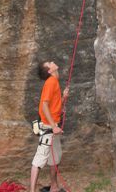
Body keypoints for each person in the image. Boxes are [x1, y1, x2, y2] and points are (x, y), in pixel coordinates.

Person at [30, 61, 69, 192]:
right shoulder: (51, 82)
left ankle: (53, 186)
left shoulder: (54, 82)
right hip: (48, 127)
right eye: (49, 63)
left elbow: (53, 106)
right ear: (49, 70)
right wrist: (53, 126)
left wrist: (63, 98)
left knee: (54, 158)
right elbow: (44, 106)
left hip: (53, 126)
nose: (53, 62)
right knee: (39, 159)